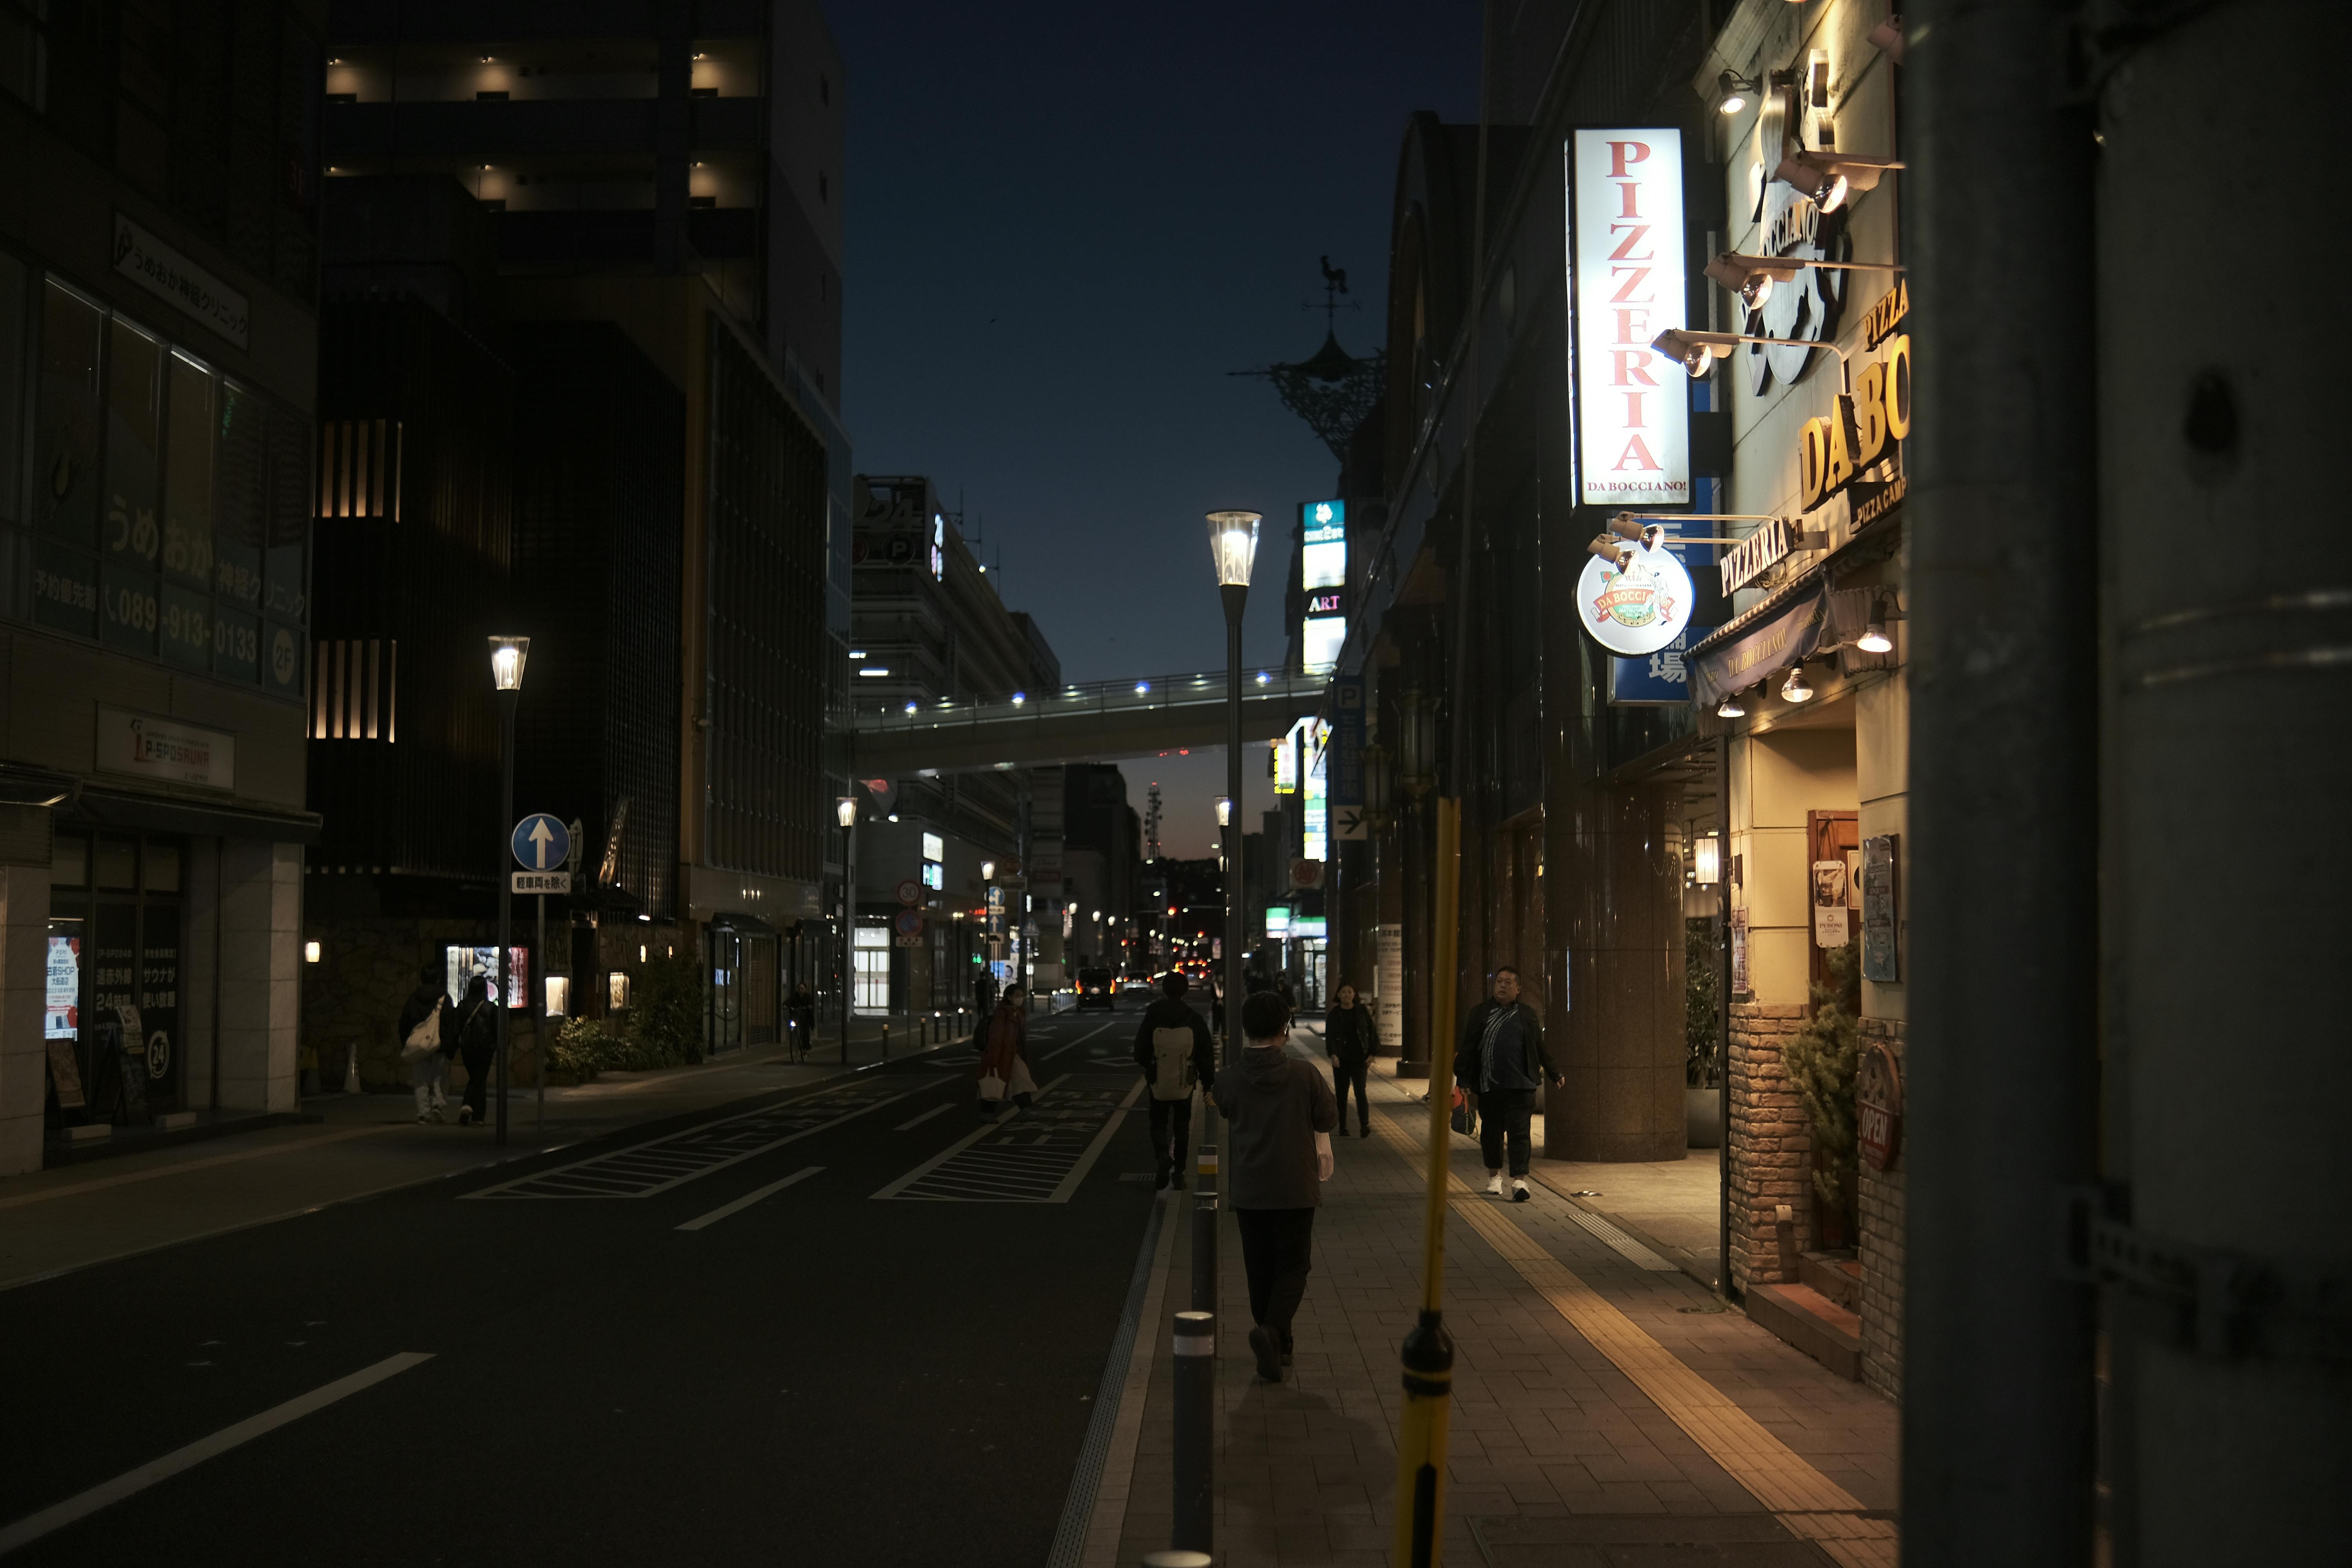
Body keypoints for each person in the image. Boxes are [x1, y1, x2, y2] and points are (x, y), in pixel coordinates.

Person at [1212, 990, 1337, 1383]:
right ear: (1285, 1028)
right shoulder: (1305, 1075)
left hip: (1250, 1189)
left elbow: (1225, 1107)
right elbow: (1329, 1118)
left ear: (1246, 1028)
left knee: (1259, 1267)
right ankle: (1272, 1332)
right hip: (1296, 1188)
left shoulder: (1228, 1079)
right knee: (1294, 1266)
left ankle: (1279, 1343)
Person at [1453, 965, 1561, 1201]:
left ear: (1518, 988)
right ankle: (1494, 1176)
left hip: (1521, 1086)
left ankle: (1520, 1181)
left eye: (1508, 982)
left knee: (1519, 1133)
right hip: (1489, 1086)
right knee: (1491, 1134)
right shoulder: (1480, 1013)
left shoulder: (1527, 1015)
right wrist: (1463, 1078)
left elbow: (1539, 1048)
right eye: (1499, 981)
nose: (1502, 985)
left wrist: (1554, 1073)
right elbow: (1468, 1048)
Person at [1133, 970, 1216, 1191]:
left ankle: (1162, 1155)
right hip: (1185, 1082)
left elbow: (1140, 1050)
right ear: (1185, 990)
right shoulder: (1193, 1018)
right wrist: (1208, 1083)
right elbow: (1205, 1053)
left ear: (1164, 989)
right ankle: (1179, 1174)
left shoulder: (1154, 1014)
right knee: (1182, 1128)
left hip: (1159, 1080)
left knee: (1158, 1123)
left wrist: (1151, 1065)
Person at [397, 964, 452, 1124]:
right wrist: (449, 1045)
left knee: (421, 1079)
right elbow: (450, 1022)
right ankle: (439, 1105)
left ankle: (423, 1114)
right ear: (438, 979)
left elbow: (404, 1024)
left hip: (419, 1046)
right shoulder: (444, 998)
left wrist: (407, 1043)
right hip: (439, 1044)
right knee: (440, 1077)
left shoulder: (414, 998)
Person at [1324, 982, 1378, 1138]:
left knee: (1361, 1091)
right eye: (1344, 992)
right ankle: (1343, 1126)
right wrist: (1333, 1055)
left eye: (1350, 992)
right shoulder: (1334, 1015)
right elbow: (1330, 1037)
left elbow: (1372, 1033)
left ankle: (1364, 1125)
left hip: (1360, 1059)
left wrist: (1372, 1053)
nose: (1347, 995)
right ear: (1338, 995)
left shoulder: (1362, 1012)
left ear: (1355, 995)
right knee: (1342, 1093)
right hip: (1341, 1059)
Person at [975, 982, 1034, 1114]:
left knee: (1021, 1081)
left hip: (1014, 1054)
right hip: (1001, 1054)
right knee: (994, 1083)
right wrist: (993, 1058)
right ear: (1009, 997)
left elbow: (1020, 1038)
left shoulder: (1019, 1014)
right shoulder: (1002, 1013)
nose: (1020, 998)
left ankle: (1026, 1109)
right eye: (1017, 996)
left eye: (1022, 996)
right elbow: (996, 1036)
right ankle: (987, 1113)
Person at [452, 973, 497, 1127]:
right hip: (486, 1049)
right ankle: (478, 1116)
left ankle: (467, 1108)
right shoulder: (492, 1008)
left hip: (468, 1048)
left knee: (475, 1078)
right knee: (480, 1080)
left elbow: (456, 1029)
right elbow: (498, 1031)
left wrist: (452, 1047)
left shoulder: (463, 1006)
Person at [786, 982, 817, 1062]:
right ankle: (794, 1038)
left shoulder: (808, 997)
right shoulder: (795, 996)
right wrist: (786, 1005)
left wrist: (809, 1007)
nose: (801, 990)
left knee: (805, 1031)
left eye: (802, 989)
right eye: (799, 989)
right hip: (796, 1016)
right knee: (792, 1024)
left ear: (805, 989)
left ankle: (805, 1048)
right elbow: (789, 1001)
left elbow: (811, 1005)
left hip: (805, 1017)